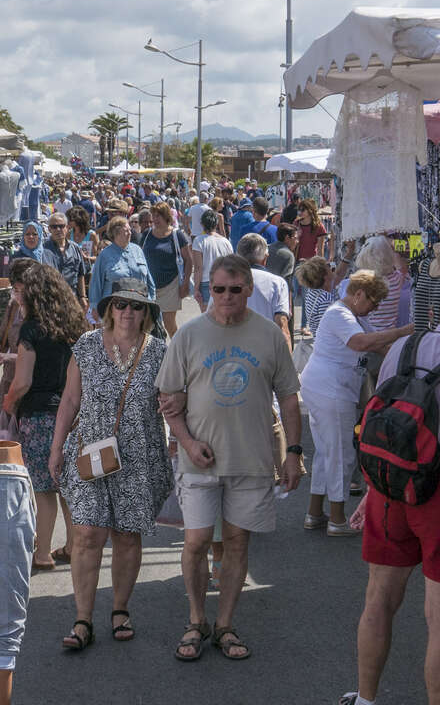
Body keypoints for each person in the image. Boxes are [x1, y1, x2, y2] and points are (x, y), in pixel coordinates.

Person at [157, 254, 303, 662]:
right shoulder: (189, 335)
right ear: (209, 290)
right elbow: (169, 401)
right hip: (199, 460)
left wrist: (292, 452)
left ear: (249, 290)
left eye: (234, 290)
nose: (225, 297)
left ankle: (225, 624)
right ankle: (195, 620)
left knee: (237, 542)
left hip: (251, 460)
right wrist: (186, 442)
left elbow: (289, 398)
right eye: (218, 289)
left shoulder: (270, 335)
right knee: (197, 541)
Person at [48, 279, 173, 650]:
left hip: (138, 456)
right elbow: (70, 400)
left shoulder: (159, 353)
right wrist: (55, 448)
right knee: (86, 535)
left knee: (126, 536)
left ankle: (120, 609)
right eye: (120, 305)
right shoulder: (86, 346)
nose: (127, 312)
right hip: (91, 453)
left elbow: (170, 402)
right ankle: (82, 618)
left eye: (135, 306)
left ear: (146, 312)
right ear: (108, 309)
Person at [339, 330, 440, 705]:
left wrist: (371, 487)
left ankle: (365, 699)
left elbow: (379, 415)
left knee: (379, 600)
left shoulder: (406, 345)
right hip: (436, 497)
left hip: (391, 486)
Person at [300, 270, 414, 535]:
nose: (374, 308)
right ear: (359, 294)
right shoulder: (340, 314)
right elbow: (361, 343)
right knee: (341, 453)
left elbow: (380, 346)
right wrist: (407, 329)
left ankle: (315, 513)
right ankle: (338, 520)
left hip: (325, 387)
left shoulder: (355, 317)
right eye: (373, 302)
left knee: (326, 452)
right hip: (331, 389)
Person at [3, 264, 87, 569]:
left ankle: (42, 553)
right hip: (70, 412)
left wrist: (8, 403)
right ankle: (73, 546)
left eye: (21, 291)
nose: (17, 295)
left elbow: (23, 381)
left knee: (43, 489)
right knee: (64, 485)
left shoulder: (32, 329)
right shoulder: (72, 324)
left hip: (39, 415)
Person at [140, 202, 192, 338]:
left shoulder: (177, 235)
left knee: (169, 323)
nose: (155, 219)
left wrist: (185, 283)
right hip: (148, 287)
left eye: (159, 216)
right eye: (154, 216)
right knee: (148, 324)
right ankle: (155, 353)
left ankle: (178, 351)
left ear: (166, 217)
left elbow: (189, 260)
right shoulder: (146, 234)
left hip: (171, 285)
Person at [89, 216, 155, 321]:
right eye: (126, 231)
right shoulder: (104, 255)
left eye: (130, 230)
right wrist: (95, 307)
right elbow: (96, 283)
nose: (130, 233)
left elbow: (149, 280)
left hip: (139, 307)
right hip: (114, 310)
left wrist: (151, 301)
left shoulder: (137, 250)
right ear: (115, 233)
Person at [236, 233, 291, 348]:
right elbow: (282, 327)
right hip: (265, 354)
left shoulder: (222, 281)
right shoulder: (277, 283)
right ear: (265, 258)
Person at [0, 258, 33, 407]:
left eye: (24, 290)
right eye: (16, 290)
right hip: (9, 385)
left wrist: (10, 357)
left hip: (31, 391)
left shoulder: (44, 315)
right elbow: (1, 339)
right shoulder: (13, 307)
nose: (20, 296)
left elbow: (41, 359)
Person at [295, 249, 355, 337]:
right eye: (328, 266)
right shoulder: (325, 299)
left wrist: (349, 253)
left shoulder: (313, 291)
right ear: (325, 275)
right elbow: (332, 327)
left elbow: (338, 275)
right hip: (329, 346)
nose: (331, 266)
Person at [354, 235, 405, 331]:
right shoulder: (397, 279)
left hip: (370, 336)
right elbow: (400, 267)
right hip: (391, 335)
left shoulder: (365, 284)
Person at [42, 212, 88, 314]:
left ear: (67, 227)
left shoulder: (75, 248)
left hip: (72, 299)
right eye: (54, 227)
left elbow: (80, 274)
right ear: (49, 229)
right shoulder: (42, 250)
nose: (58, 229)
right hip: (51, 301)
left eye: (61, 226)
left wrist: (83, 297)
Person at [192, 209, 232, 312]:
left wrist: (196, 289)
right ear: (216, 224)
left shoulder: (198, 241)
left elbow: (198, 268)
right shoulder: (225, 241)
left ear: (202, 223)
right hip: (224, 282)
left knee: (207, 318)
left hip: (206, 282)